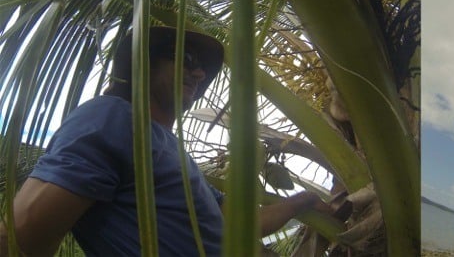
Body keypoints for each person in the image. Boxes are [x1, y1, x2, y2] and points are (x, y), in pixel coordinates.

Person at [0, 26, 333, 256]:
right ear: (144, 63)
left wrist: (298, 202)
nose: (200, 74)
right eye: (187, 60)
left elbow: (240, 225)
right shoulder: (112, 118)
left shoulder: (171, 151)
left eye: (202, 68)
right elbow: (21, 237)